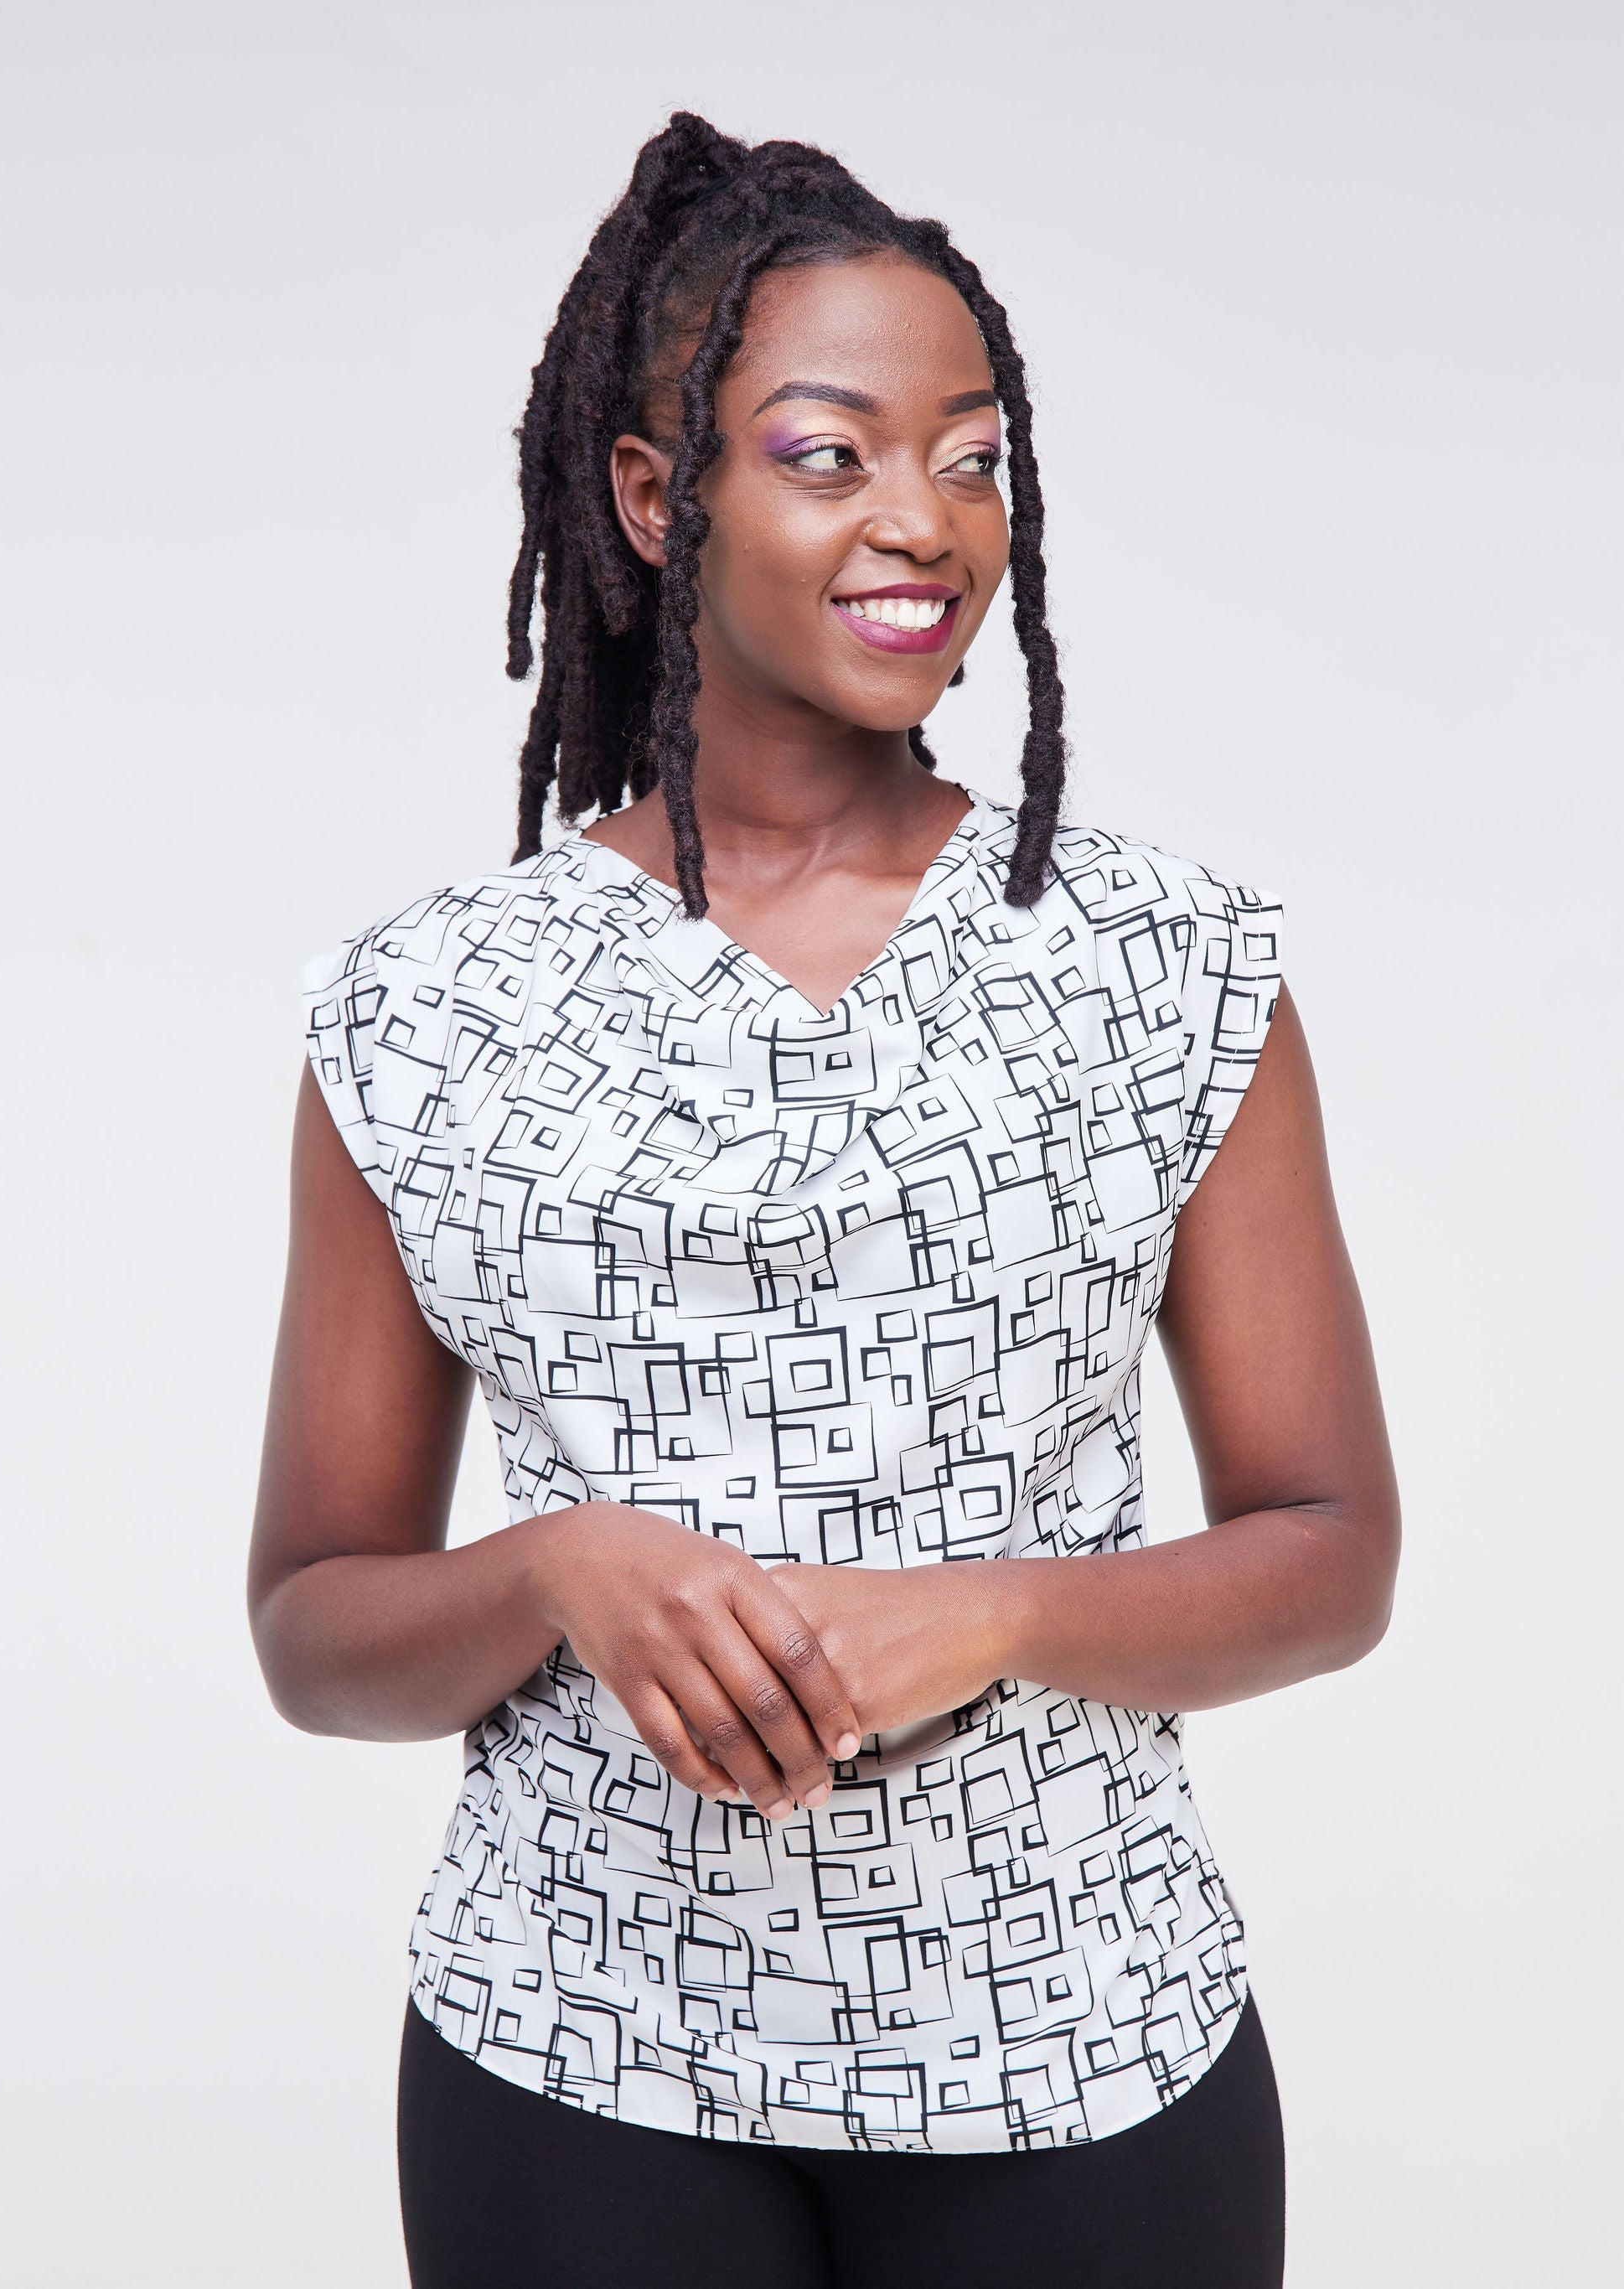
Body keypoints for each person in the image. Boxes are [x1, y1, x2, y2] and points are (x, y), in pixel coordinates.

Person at [249, 113, 1399, 2289]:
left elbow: (1332, 1552)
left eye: (971, 459)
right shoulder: (423, 1008)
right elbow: (316, 1623)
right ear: (652, 496)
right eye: (830, 453)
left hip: (1077, 2050)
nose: (922, 521)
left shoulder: (1168, 969)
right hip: (577, 2061)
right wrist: (559, 1570)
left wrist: (1003, 1612)